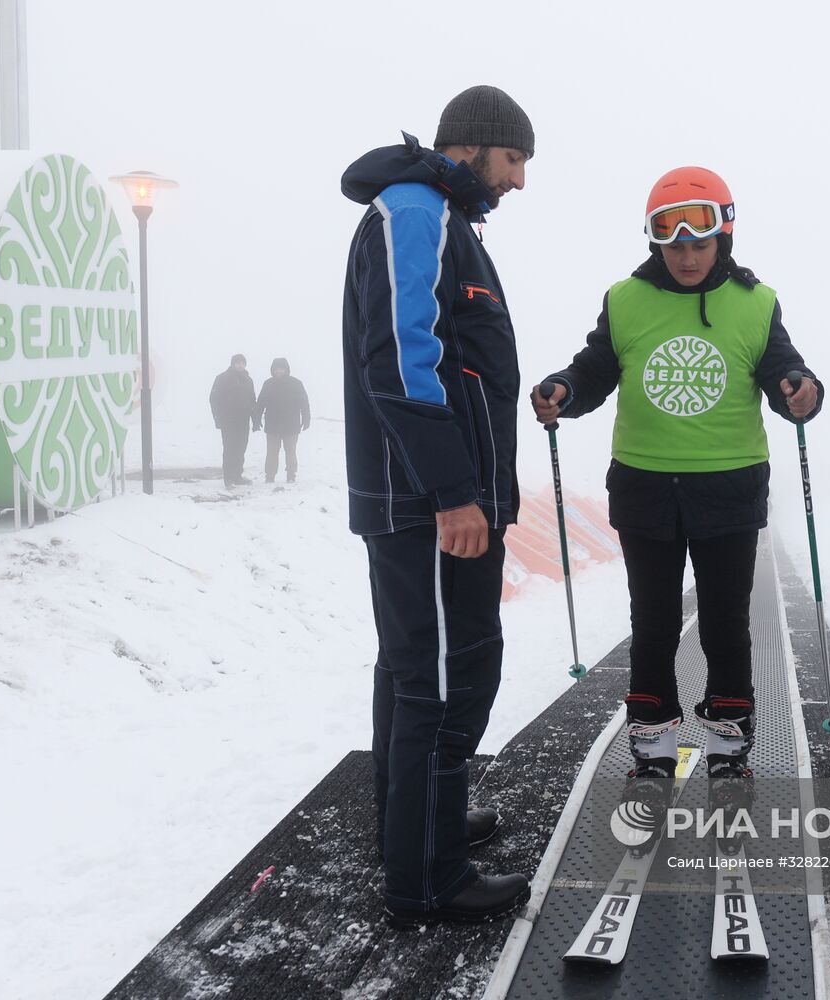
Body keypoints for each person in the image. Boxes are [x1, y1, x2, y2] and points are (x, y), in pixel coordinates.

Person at [532, 166, 822, 811]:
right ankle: (653, 746)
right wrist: (565, 391)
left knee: (725, 622)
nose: (687, 256)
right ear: (656, 243)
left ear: (723, 238)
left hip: (729, 487)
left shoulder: (757, 301)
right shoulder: (625, 298)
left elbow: (782, 368)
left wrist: (802, 388)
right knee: (655, 620)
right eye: (674, 244)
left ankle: (729, 742)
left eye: (700, 242)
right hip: (644, 486)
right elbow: (595, 368)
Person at [341, 85, 534, 928]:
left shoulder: (446, 218)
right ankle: (428, 876)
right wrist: (453, 492)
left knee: (417, 670)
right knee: (446, 675)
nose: (520, 180)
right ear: (476, 146)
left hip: (437, 496)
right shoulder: (415, 211)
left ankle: (416, 827)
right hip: (429, 502)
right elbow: (404, 358)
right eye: (515, 159)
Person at [253, 358, 311, 483]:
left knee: (290, 452)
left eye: (281, 368)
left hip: (291, 425)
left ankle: (291, 475)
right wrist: (256, 419)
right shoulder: (268, 384)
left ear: (286, 369)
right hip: (273, 425)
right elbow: (261, 402)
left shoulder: (296, 383)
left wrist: (306, 418)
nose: (279, 371)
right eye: (276, 369)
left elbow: (304, 402)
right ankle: (270, 476)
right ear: (272, 370)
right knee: (272, 453)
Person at [210, 353, 256, 487]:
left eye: (242, 362)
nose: (240, 365)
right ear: (232, 364)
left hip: (243, 420)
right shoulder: (222, 378)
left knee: (241, 448)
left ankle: (237, 476)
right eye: (237, 362)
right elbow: (213, 399)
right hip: (228, 420)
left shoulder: (248, 380)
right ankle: (228, 478)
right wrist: (218, 418)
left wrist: (255, 418)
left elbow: (252, 400)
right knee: (230, 448)